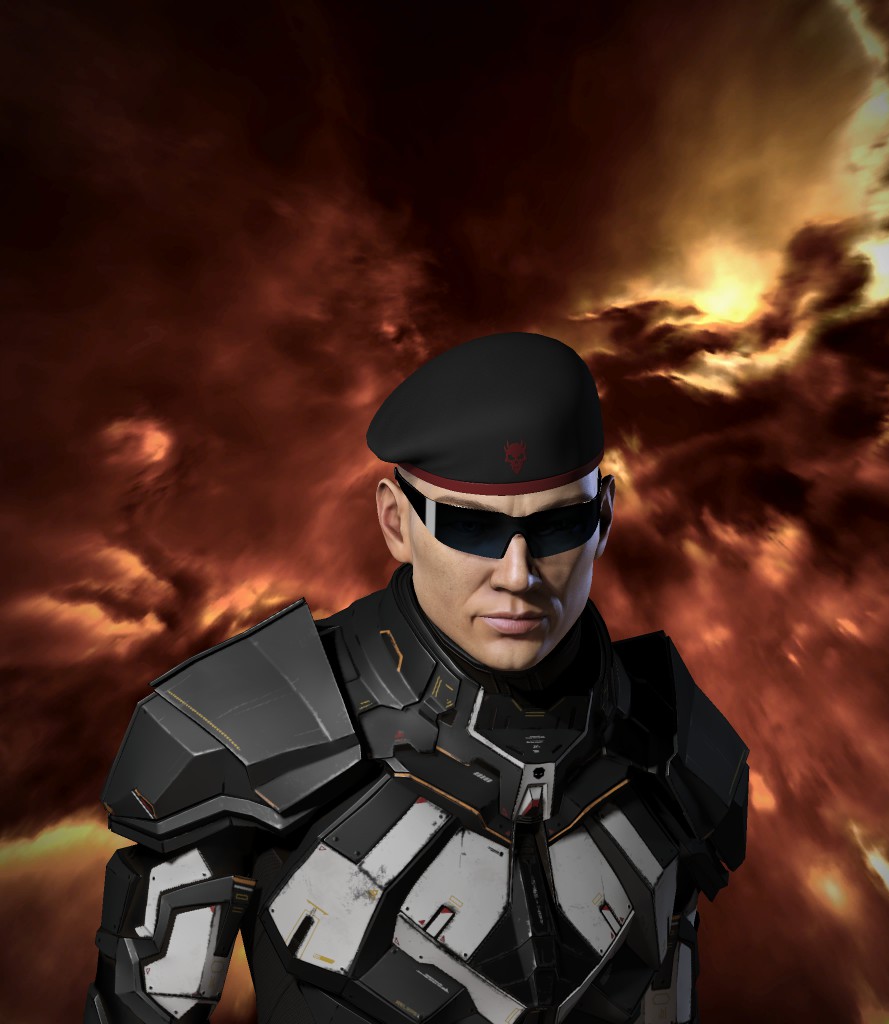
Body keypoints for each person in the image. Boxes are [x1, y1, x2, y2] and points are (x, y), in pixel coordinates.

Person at [84, 332, 749, 1024]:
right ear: (395, 522)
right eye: (471, 527)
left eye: (558, 525)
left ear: (604, 517)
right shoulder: (248, 724)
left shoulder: (671, 733)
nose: (517, 575)